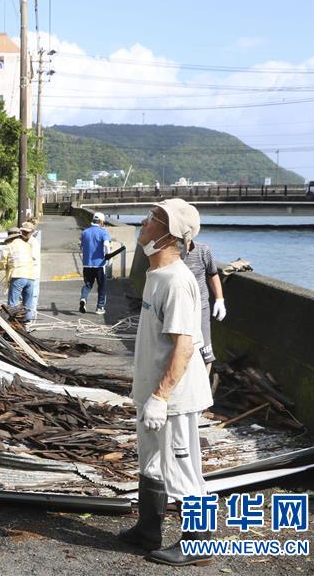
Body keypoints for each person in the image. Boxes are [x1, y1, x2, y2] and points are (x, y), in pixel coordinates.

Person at [118, 198, 214, 567]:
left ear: (171, 235)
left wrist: (161, 396)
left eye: (155, 219)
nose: (146, 222)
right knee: (152, 464)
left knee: (183, 471)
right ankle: (148, 528)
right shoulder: (155, 276)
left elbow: (185, 347)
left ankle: (199, 544)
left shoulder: (176, 281)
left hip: (172, 398)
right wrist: (148, 395)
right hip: (152, 394)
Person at [183, 240, 227, 374]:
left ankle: (203, 389)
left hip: (201, 307)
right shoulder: (169, 252)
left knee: (206, 353)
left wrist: (219, 299)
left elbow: (213, 274)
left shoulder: (203, 250)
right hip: (178, 308)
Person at [0, 227, 35, 321]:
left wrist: (3, 267)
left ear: (10, 237)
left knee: (13, 303)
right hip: (30, 276)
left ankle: (13, 323)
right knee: (27, 303)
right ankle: (27, 320)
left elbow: (2, 264)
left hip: (18, 275)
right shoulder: (27, 245)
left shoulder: (9, 246)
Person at [79, 212, 111, 315]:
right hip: (100, 264)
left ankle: (83, 298)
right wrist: (108, 257)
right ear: (101, 221)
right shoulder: (103, 232)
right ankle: (100, 307)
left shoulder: (85, 232)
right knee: (102, 286)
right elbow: (106, 244)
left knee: (88, 284)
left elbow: (82, 248)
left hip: (87, 264)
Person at [20, 221, 41, 314]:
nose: (24, 233)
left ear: (32, 232)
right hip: (23, 273)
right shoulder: (21, 241)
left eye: (27, 232)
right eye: (23, 231)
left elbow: (33, 257)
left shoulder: (34, 242)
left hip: (33, 274)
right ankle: (24, 317)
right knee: (22, 297)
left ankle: (30, 317)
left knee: (32, 296)